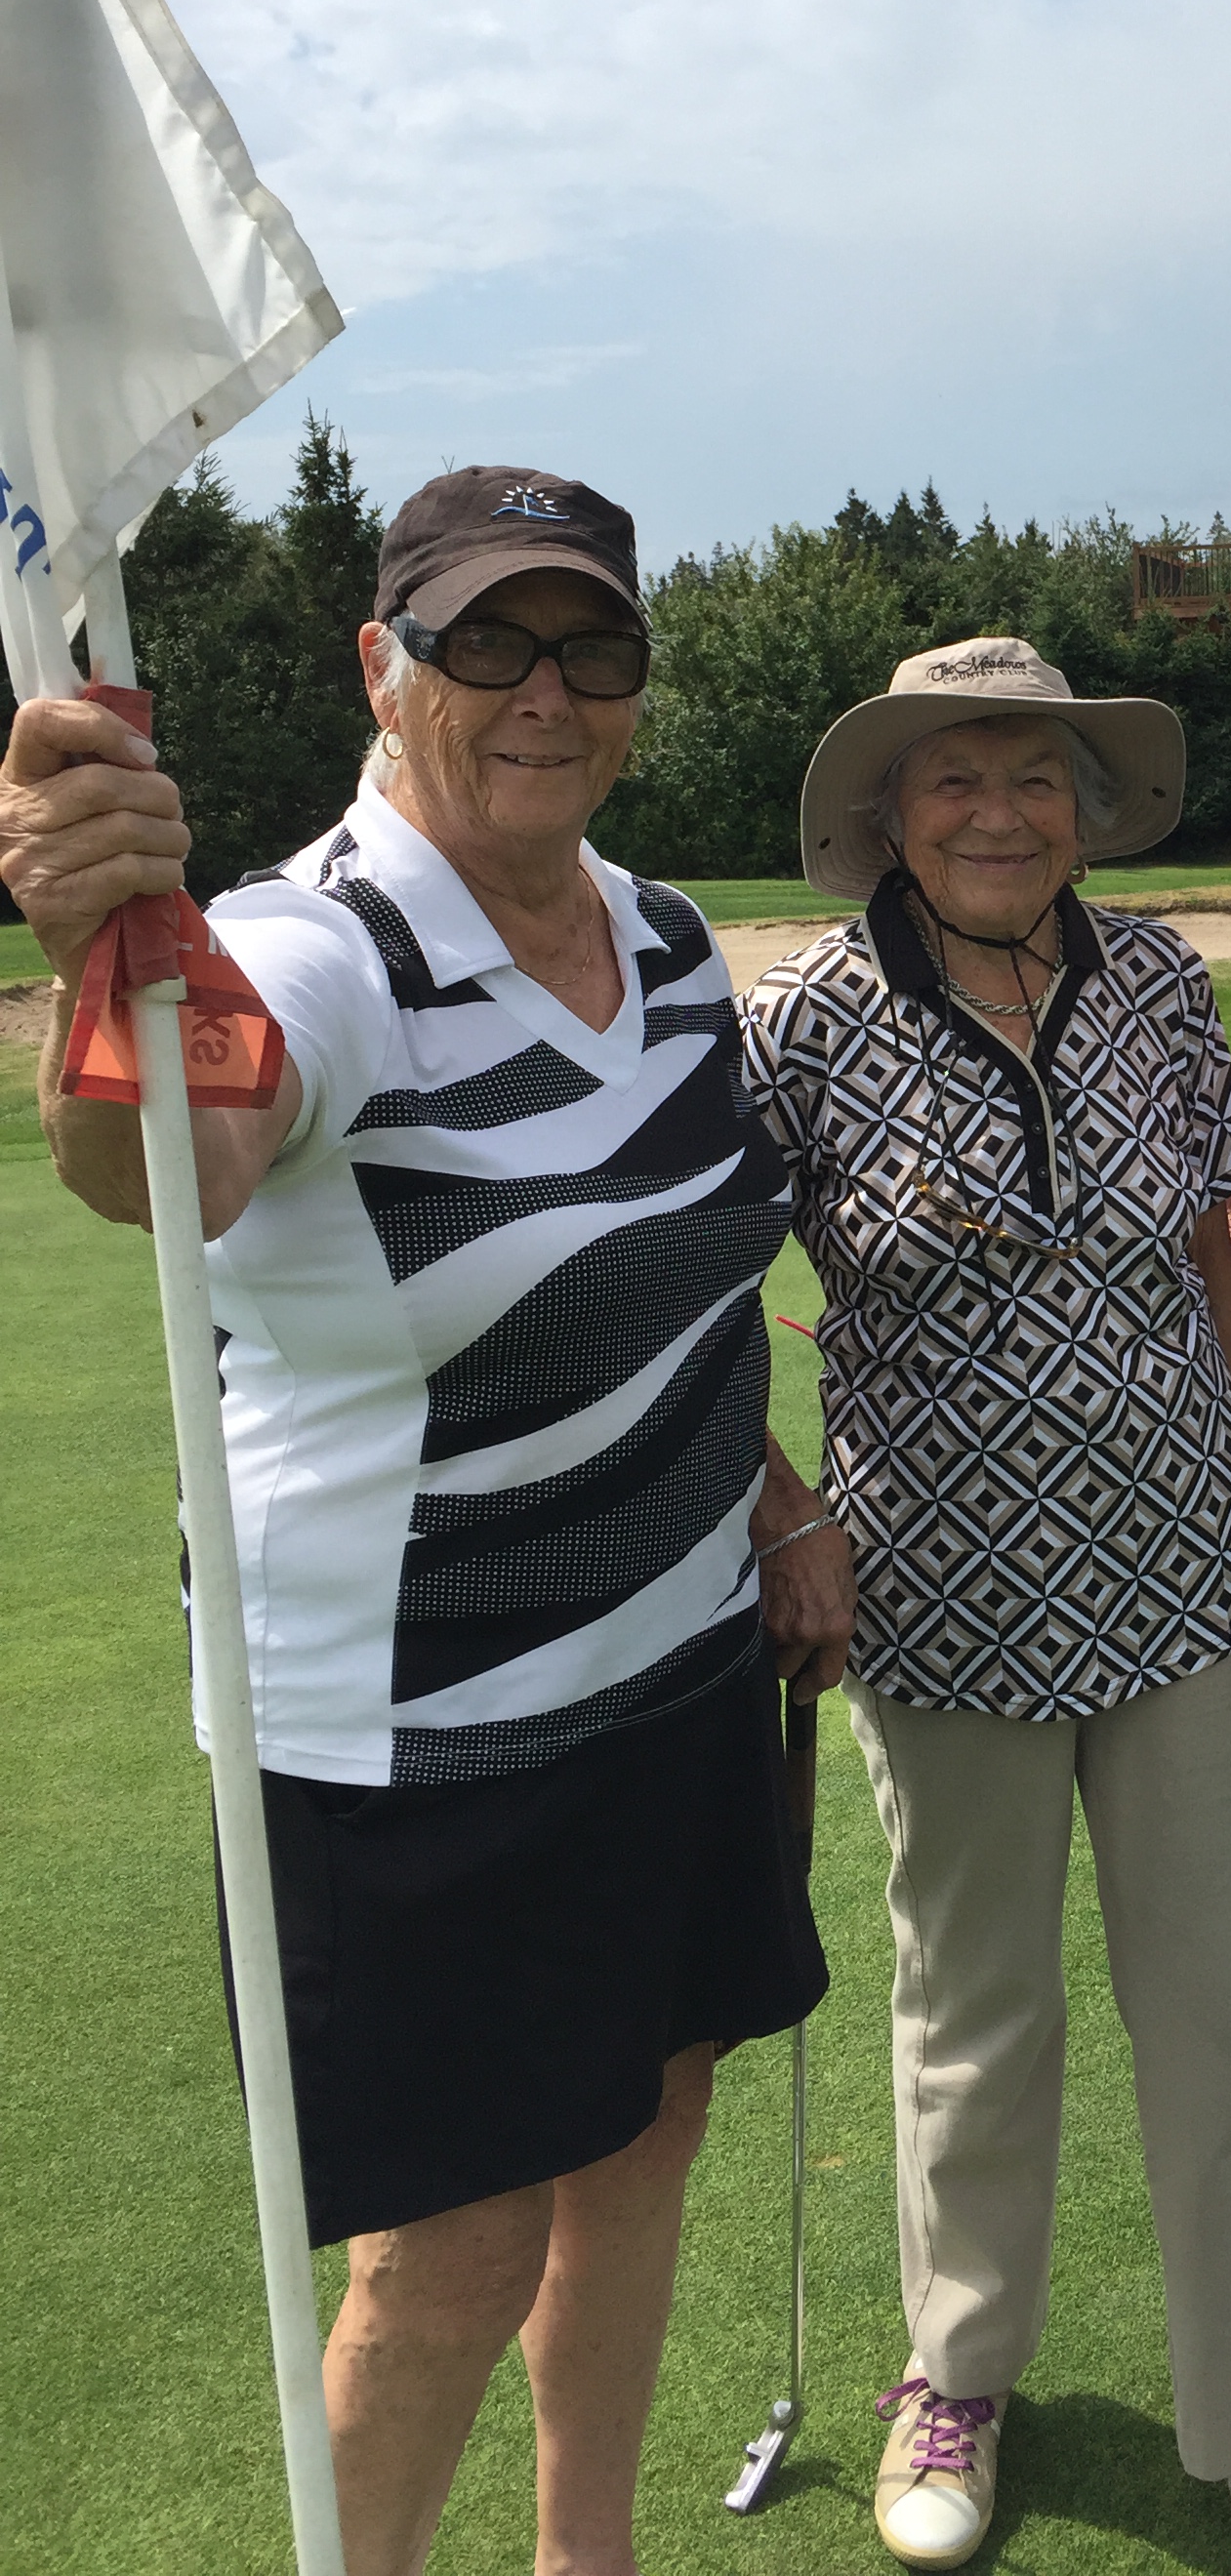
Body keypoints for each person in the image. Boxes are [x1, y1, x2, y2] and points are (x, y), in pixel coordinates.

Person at [0, 468, 846, 2576]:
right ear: (385, 667)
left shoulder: (663, 937)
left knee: (648, 2134)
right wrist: (104, 953)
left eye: (592, 645)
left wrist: (771, 1505)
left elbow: (678, 1273)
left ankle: (587, 2557)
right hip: (415, 1736)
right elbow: (175, 1156)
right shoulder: (315, 946)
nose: (546, 690)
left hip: (671, 1665)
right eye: (487, 643)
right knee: (453, 2254)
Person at [737, 635, 1231, 2576]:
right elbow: (700, 1293)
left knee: (1222, 2019)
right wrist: (784, 1513)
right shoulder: (805, 1017)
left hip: (1190, 1581)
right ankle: (957, 2376)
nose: (999, 813)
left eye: (1036, 778)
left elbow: (1210, 1263)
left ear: (1088, 813)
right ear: (892, 812)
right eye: (956, 777)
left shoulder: (1159, 983)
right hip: (938, 1604)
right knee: (971, 2014)